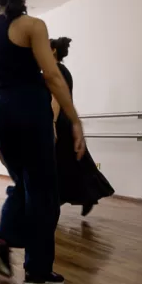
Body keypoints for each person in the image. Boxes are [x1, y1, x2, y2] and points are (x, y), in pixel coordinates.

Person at [0, 0, 85, 284]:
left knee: (24, 184)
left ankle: (2, 240)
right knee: (43, 193)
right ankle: (37, 271)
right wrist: (75, 120)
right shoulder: (33, 26)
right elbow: (53, 76)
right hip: (29, 109)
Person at [51, 37, 114, 217]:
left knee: (61, 162)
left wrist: (53, 122)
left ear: (53, 50)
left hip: (60, 120)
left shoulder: (55, 69)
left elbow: (56, 99)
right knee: (74, 161)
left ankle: (60, 199)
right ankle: (84, 196)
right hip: (67, 120)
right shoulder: (64, 70)